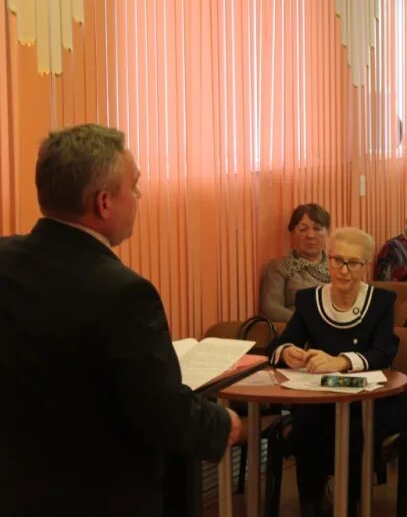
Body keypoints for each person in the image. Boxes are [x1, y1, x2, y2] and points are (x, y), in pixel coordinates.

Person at [0, 124, 239, 516]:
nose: (140, 198)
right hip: (98, 495)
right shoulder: (124, 294)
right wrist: (222, 423)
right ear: (104, 203)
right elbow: (160, 411)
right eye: (136, 187)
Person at [266, 227, 401, 517]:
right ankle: (311, 505)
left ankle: (350, 503)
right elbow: (279, 344)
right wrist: (288, 352)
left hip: (368, 400)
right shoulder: (308, 300)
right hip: (319, 397)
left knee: (354, 427)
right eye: (337, 260)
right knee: (307, 423)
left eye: (353, 263)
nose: (343, 270)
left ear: (366, 266)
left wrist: (342, 362)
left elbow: (384, 352)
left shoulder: (381, 301)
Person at [260, 203, 331, 321]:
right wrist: (311, 323)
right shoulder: (279, 267)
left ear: (328, 232)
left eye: (317, 228)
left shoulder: (339, 266)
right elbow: (271, 308)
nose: (310, 235)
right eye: (303, 229)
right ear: (292, 233)